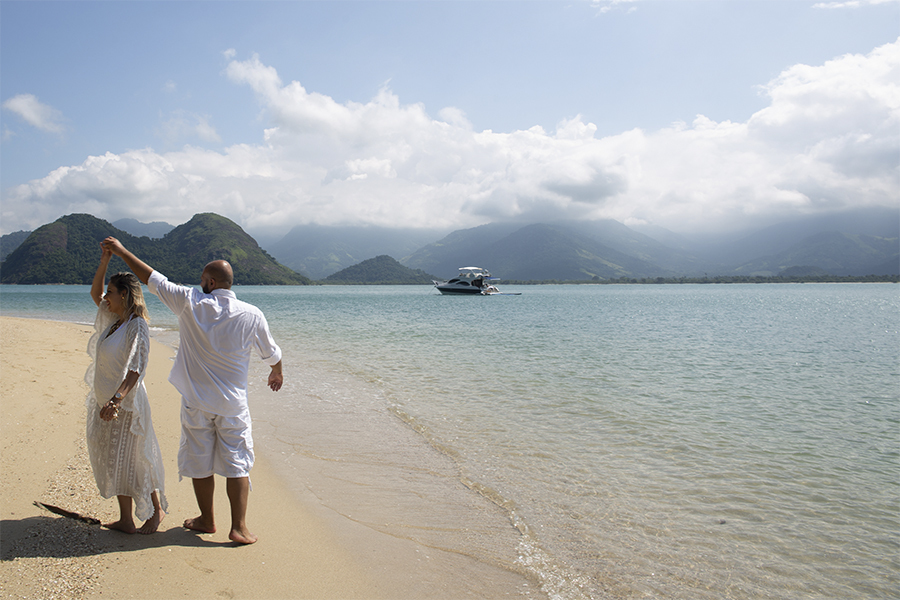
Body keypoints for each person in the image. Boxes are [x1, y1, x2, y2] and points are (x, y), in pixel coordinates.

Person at [102, 236, 283, 545]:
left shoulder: (190, 302)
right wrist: (276, 373)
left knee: (199, 459)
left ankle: (207, 519)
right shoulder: (252, 314)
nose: (199, 284)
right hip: (233, 404)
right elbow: (272, 354)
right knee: (237, 461)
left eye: (202, 280)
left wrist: (120, 252)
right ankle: (238, 526)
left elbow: (152, 278)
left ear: (211, 282)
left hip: (197, 401)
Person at [86, 243, 167, 534]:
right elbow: (95, 294)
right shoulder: (112, 321)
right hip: (106, 401)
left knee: (136, 459)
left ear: (124, 295)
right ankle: (125, 519)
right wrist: (105, 260)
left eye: (111, 291)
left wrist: (117, 400)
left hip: (127, 404)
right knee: (113, 457)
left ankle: (156, 513)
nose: (105, 296)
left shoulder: (137, 326)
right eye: (108, 292)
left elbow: (136, 367)